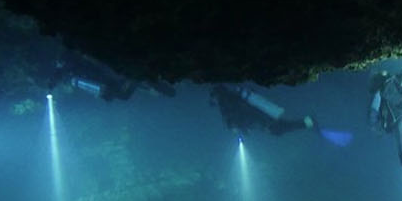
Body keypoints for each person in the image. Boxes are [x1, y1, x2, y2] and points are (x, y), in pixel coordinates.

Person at [210, 84, 352, 145]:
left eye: (214, 99)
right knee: (281, 129)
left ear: (217, 95)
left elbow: (241, 115)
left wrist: (239, 126)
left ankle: (309, 122)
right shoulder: (230, 99)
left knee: (279, 129)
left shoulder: (226, 103)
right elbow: (240, 115)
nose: (214, 102)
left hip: (260, 120)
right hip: (260, 119)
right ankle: (308, 122)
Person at [48, 52, 175, 101]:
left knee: (122, 93)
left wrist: (52, 85)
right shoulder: (73, 65)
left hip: (103, 76)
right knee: (122, 91)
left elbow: (60, 72)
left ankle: (145, 82)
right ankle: (149, 84)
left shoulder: (70, 64)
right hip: (104, 76)